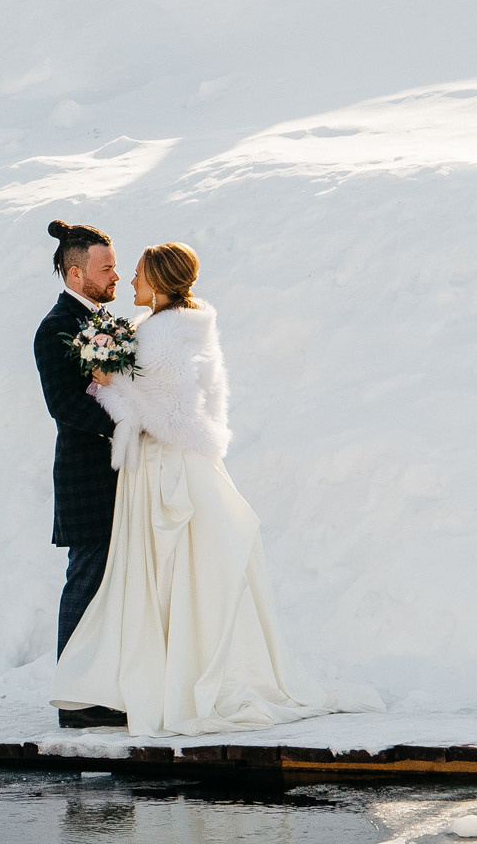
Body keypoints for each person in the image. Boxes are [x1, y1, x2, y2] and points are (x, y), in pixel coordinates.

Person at [51, 242, 381, 736]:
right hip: (173, 463)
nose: (130, 281)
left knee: (168, 578)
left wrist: (108, 383)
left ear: (159, 283)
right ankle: (146, 679)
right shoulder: (182, 327)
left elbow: (169, 414)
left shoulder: (162, 336)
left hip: (166, 470)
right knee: (175, 580)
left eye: (138, 273)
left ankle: (158, 683)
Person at [32, 220, 121, 729]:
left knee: (113, 585)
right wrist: (126, 421)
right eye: (105, 267)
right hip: (87, 477)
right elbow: (63, 404)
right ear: (75, 273)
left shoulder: (107, 320)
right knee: (86, 582)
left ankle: (104, 689)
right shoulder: (56, 327)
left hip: (121, 473)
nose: (116, 274)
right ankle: (76, 701)